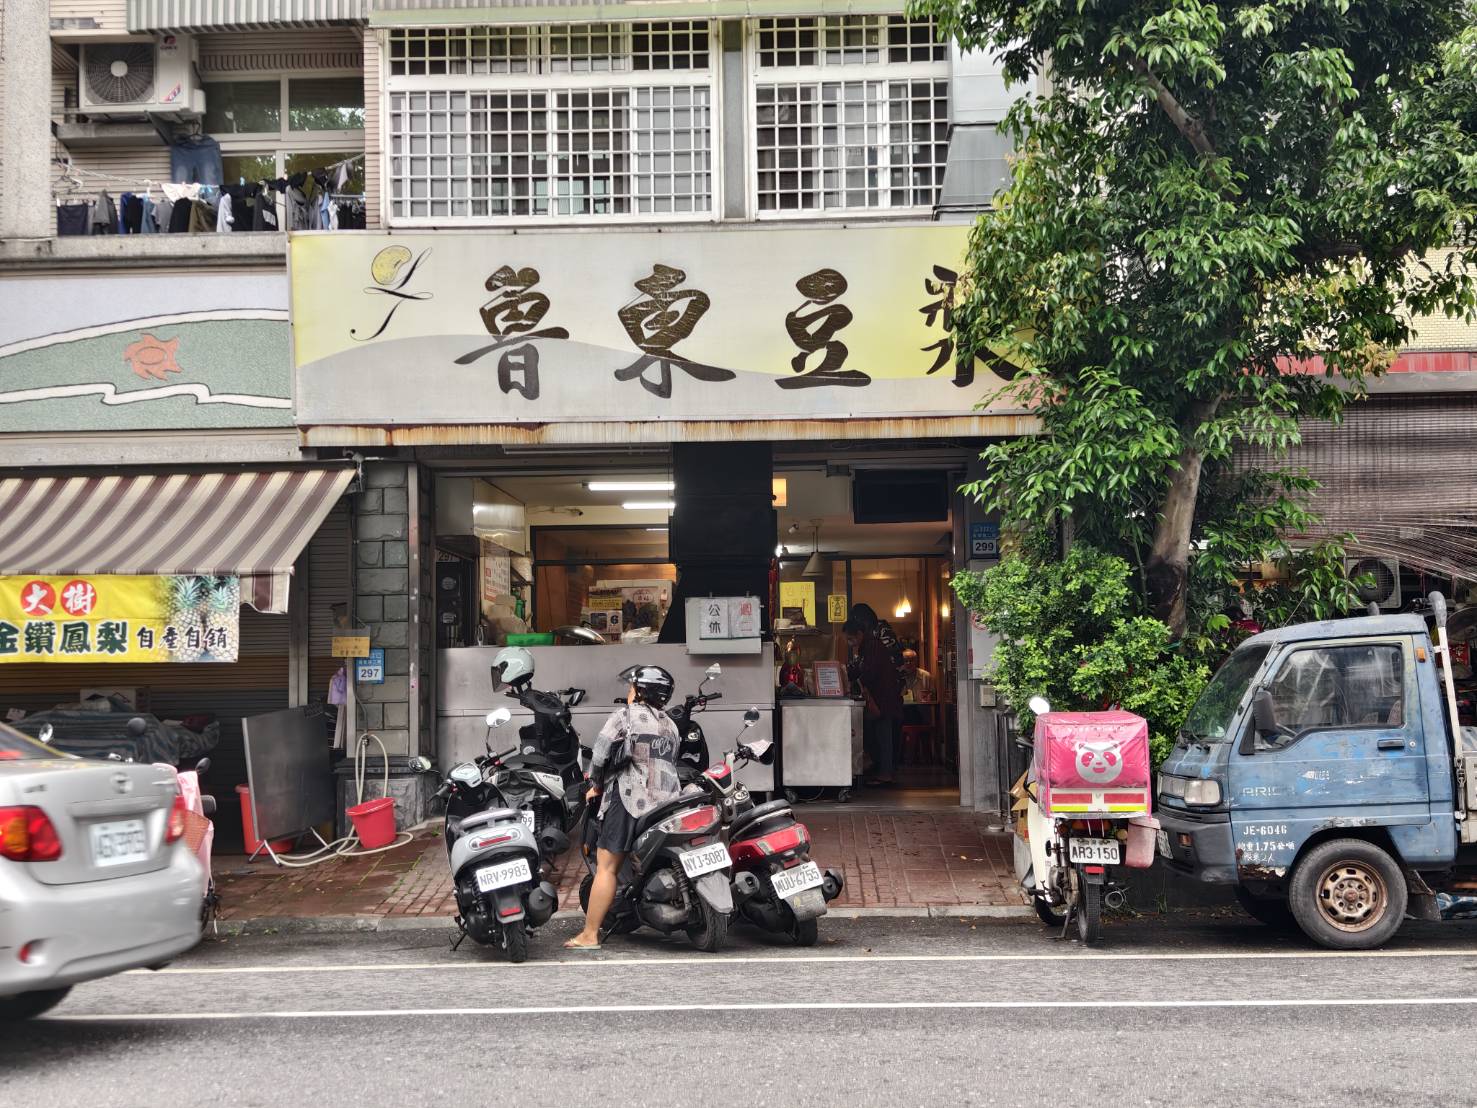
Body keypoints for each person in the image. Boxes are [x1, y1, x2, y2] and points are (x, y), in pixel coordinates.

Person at [565, 664, 681, 950]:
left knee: (607, 867)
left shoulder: (624, 717)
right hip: (668, 805)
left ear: (640, 691)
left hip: (631, 799)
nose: (629, 691)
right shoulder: (671, 725)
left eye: (632, 687)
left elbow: (601, 754)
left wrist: (596, 785)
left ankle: (590, 934)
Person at [844, 610, 904, 788]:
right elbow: (860, 670)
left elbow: (869, 673)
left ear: (860, 634)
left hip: (882, 700)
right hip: (880, 699)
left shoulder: (873, 647)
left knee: (883, 736)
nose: (850, 643)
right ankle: (881, 770)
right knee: (878, 735)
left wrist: (856, 679)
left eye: (850, 639)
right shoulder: (867, 647)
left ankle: (885, 774)